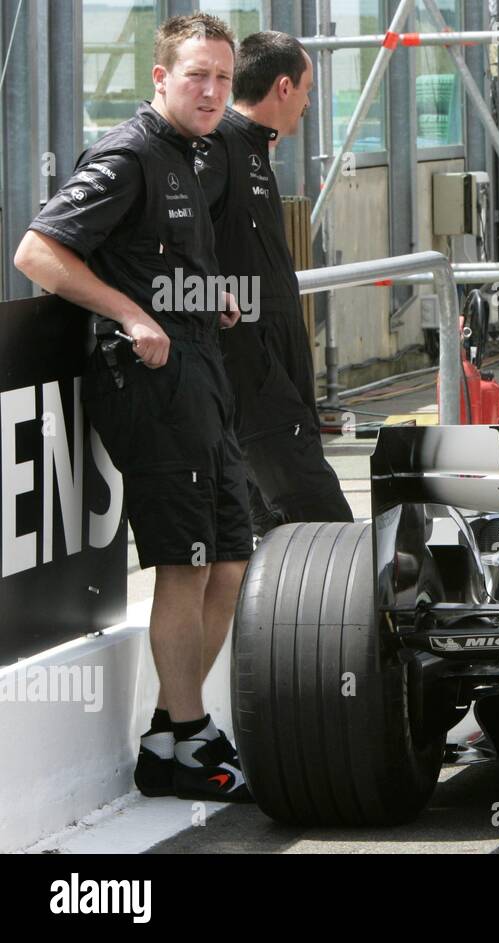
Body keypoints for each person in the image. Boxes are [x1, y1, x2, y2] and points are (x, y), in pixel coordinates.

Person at [13, 14, 253, 802]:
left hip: (202, 375)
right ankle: (187, 739)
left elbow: (168, 257)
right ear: (160, 78)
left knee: (228, 559)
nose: (213, 90)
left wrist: (201, 297)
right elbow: (38, 252)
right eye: (196, 76)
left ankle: (169, 731)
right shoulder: (127, 153)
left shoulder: (206, 153)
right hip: (148, 386)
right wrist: (131, 312)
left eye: (222, 76)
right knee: (182, 564)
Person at [198, 31, 353, 536]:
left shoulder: (253, 149)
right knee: (322, 520)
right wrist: (206, 302)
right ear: (284, 87)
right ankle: (341, 611)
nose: (309, 103)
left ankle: (274, 612)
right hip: (248, 365)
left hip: (271, 361)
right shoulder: (218, 146)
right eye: (308, 89)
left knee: (268, 524)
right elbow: (169, 247)